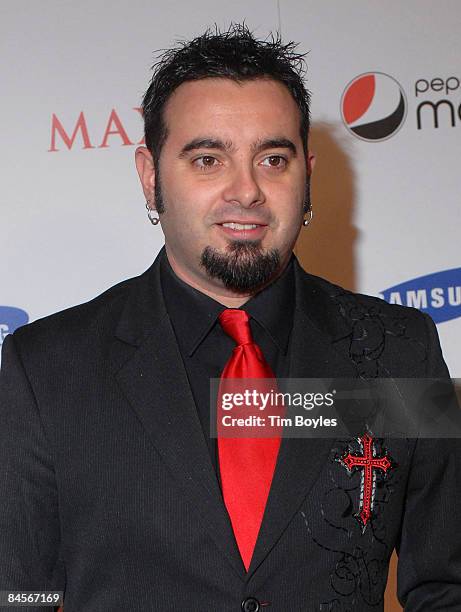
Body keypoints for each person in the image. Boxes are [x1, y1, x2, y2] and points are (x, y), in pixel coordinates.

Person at [1, 24, 460, 612]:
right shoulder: (47, 367)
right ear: (150, 175)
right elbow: (21, 596)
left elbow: (447, 584)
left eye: (273, 158)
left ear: (307, 175)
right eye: (208, 159)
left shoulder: (401, 353)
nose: (246, 191)